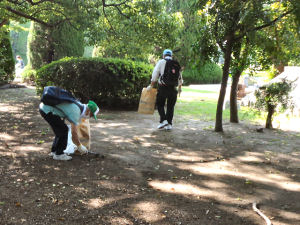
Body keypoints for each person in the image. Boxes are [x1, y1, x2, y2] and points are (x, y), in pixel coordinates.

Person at [147, 49, 183, 130]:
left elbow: (155, 74)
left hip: (163, 88)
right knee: (171, 107)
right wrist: (180, 88)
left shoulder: (161, 62)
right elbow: (180, 77)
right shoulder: (176, 64)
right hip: (173, 89)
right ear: (171, 56)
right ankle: (169, 124)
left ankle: (163, 120)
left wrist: (151, 85)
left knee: (160, 104)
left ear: (163, 55)